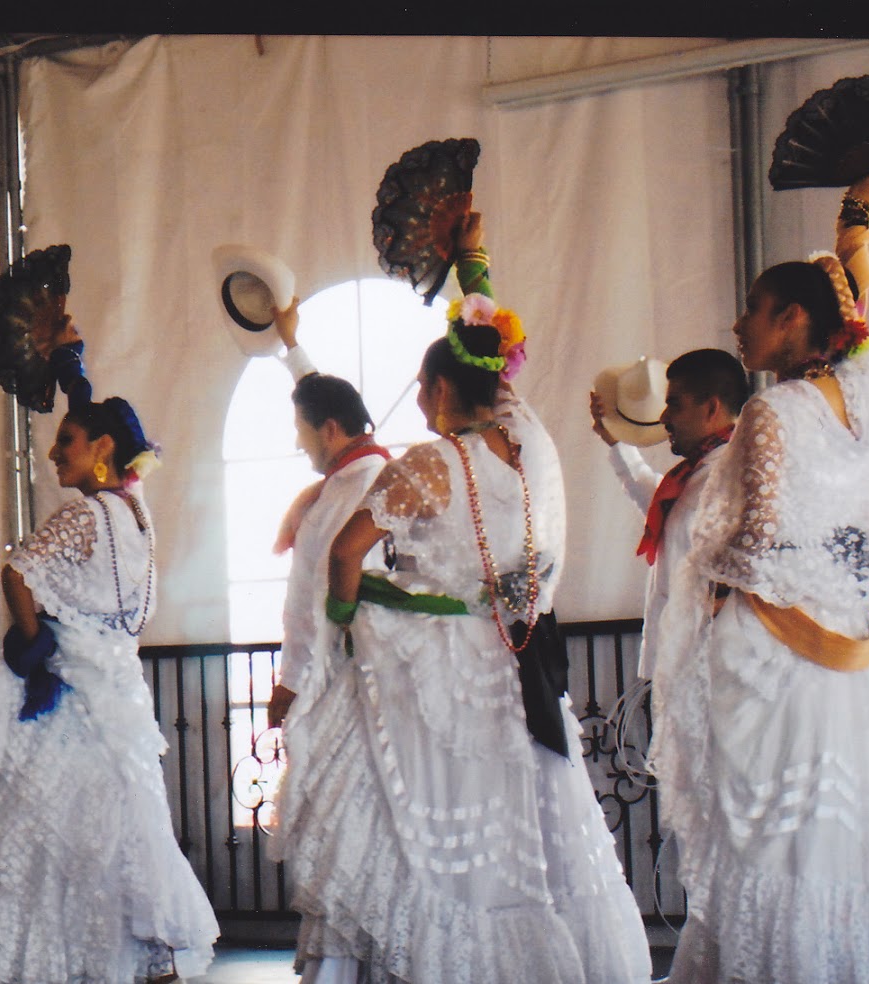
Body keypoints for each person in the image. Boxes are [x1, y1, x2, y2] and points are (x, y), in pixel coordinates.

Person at [277, 216, 651, 983]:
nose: (417, 399)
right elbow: (498, 364)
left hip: (429, 672)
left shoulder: (432, 462)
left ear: (442, 387)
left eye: (421, 385)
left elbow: (347, 553)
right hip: (513, 667)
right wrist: (472, 268)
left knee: (406, 818)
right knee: (521, 822)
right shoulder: (533, 440)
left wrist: (347, 620)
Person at [660, 175, 869, 982]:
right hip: (857, 639)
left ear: (791, 319)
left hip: (778, 651)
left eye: (753, 309)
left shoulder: (772, 412)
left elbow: (760, 532)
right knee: (862, 829)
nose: (739, 326)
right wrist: (852, 236)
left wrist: (709, 563)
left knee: (779, 832)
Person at [0, 322, 218, 984]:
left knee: (52, 843)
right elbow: (103, 438)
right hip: (121, 705)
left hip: (71, 708)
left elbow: (17, 573)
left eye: (64, 443)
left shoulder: (82, 516)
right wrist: (73, 371)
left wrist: (33, 643)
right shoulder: (135, 513)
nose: (51, 454)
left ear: (99, 448)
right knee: (126, 836)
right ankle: (140, 962)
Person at [264, 299, 391, 732]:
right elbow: (315, 390)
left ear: (330, 431)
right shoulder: (351, 474)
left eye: (301, 429)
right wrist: (290, 340)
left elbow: (319, 601)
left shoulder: (362, 489)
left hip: (343, 687)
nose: (299, 442)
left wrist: (294, 682)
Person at [589, 349, 748, 688]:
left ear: (711, 408)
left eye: (674, 404)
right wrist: (615, 441)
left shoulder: (733, 477)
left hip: (709, 674)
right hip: (681, 668)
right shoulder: (695, 475)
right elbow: (657, 501)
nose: (664, 417)